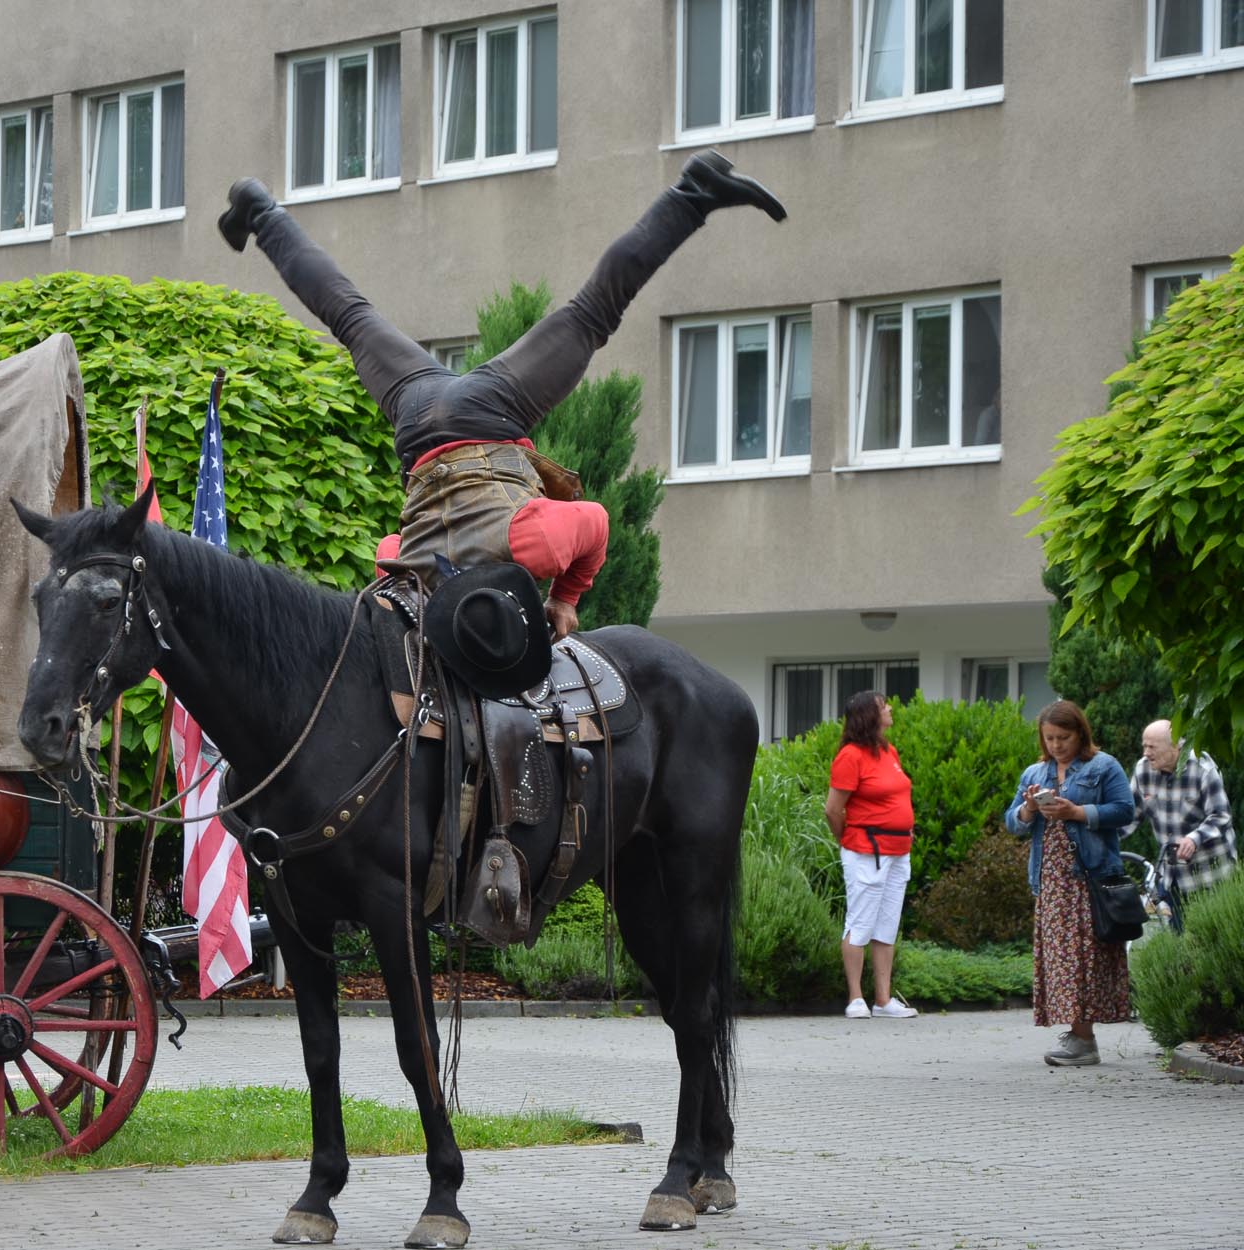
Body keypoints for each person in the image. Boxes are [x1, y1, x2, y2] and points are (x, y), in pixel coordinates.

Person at [218, 150, 785, 640]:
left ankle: (694, 192)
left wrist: (564, 599)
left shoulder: (529, 544)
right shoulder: (403, 569)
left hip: (486, 414)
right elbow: (388, 547)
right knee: (350, 315)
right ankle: (261, 211)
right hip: (417, 422)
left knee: (592, 312)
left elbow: (594, 521)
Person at [1004, 700, 1136, 1068]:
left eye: (1064, 737)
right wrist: (1029, 810)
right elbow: (1012, 823)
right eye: (1049, 738)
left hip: (1090, 878)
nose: (1057, 745)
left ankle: (1083, 1038)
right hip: (1051, 881)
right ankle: (1079, 1036)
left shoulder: (1104, 766)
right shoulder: (1036, 772)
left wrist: (1077, 813)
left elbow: (1125, 809)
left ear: (1081, 734)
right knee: (1062, 962)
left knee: (1087, 959)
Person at [824, 691, 917, 1019]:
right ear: (868, 716)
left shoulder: (888, 751)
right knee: (861, 923)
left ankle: (883, 1000)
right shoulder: (850, 756)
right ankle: (855, 998)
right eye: (883, 706)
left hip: (897, 851)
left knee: (887, 925)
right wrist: (848, 841)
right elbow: (834, 810)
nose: (890, 708)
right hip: (866, 850)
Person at [1128, 719, 1237, 908]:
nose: (1146, 753)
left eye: (1152, 747)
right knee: (1179, 934)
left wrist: (1194, 839)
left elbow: (1221, 816)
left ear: (1175, 746)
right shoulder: (1142, 769)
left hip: (1211, 874)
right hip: (1172, 876)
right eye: (1144, 746)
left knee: (1215, 933)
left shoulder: (1203, 769)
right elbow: (1129, 815)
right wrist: (1100, 832)